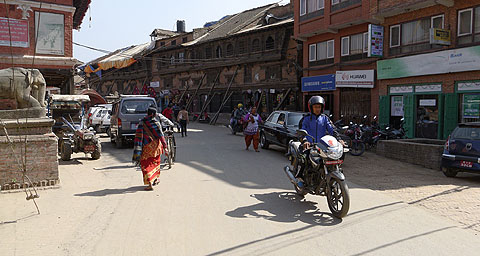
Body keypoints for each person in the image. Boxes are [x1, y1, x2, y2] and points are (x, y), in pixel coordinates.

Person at [133, 107, 168, 191]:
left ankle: (150, 183)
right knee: (155, 162)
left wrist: (138, 149)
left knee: (145, 163)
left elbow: (138, 136)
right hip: (156, 147)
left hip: (146, 147)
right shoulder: (156, 122)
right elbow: (161, 136)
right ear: (153, 114)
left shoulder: (142, 123)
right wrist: (165, 147)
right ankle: (155, 178)